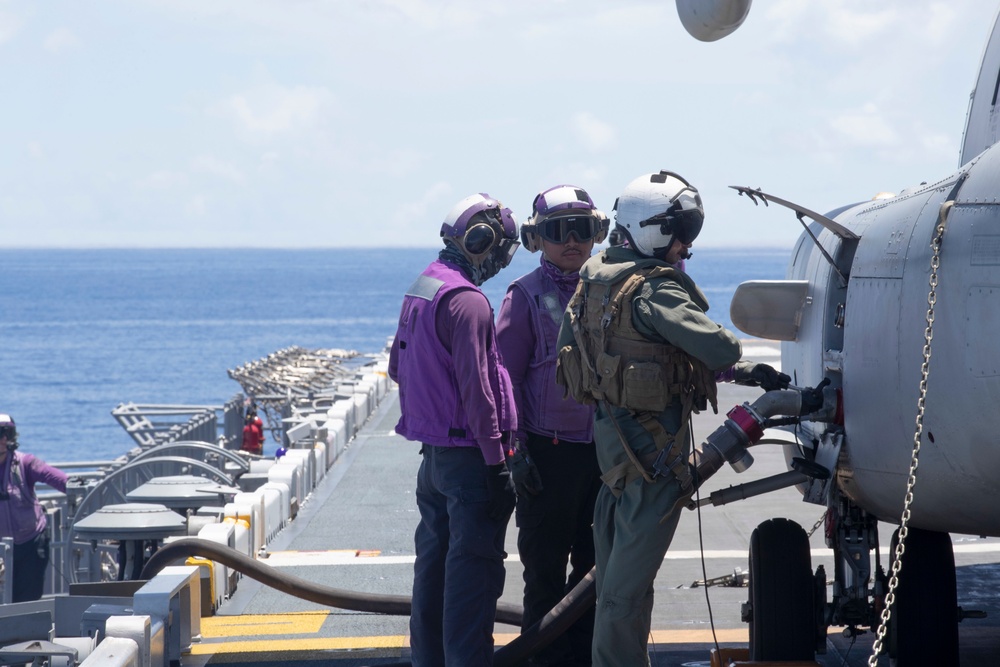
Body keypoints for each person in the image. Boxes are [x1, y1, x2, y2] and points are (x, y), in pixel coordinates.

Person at [554, 171, 788, 666]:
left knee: (627, 590)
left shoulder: (597, 279)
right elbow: (717, 345)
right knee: (622, 595)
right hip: (651, 467)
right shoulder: (654, 289)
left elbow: (638, 352)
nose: (685, 245)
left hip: (615, 461)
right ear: (656, 230)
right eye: (682, 232)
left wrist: (747, 374)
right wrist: (735, 358)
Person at [388, 192, 521, 666]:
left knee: (434, 574)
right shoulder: (468, 301)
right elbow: (478, 393)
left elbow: (397, 368)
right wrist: (496, 465)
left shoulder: (424, 287)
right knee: (473, 580)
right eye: (503, 248)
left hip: (434, 460)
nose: (503, 261)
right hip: (470, 462)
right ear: (482, 241)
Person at [496, 185, 609, 666]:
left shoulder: (611, 290)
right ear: (536, 238)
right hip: (549, 454)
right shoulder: (523, 296)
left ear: (597, 234)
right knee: (543, 573)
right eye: (558, 231)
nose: (571, 241)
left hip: (604, 454)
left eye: (581, 230)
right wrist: (516, 451)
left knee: (595, 571)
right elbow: (503, 379)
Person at [0, 413, 68, 602]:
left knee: (27, 600)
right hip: (1, 550)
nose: (4, 439)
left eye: (9, 433)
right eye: (0, 433)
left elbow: (56, 478)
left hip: (30, 543)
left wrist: (76, 488)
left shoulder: (24, 463)